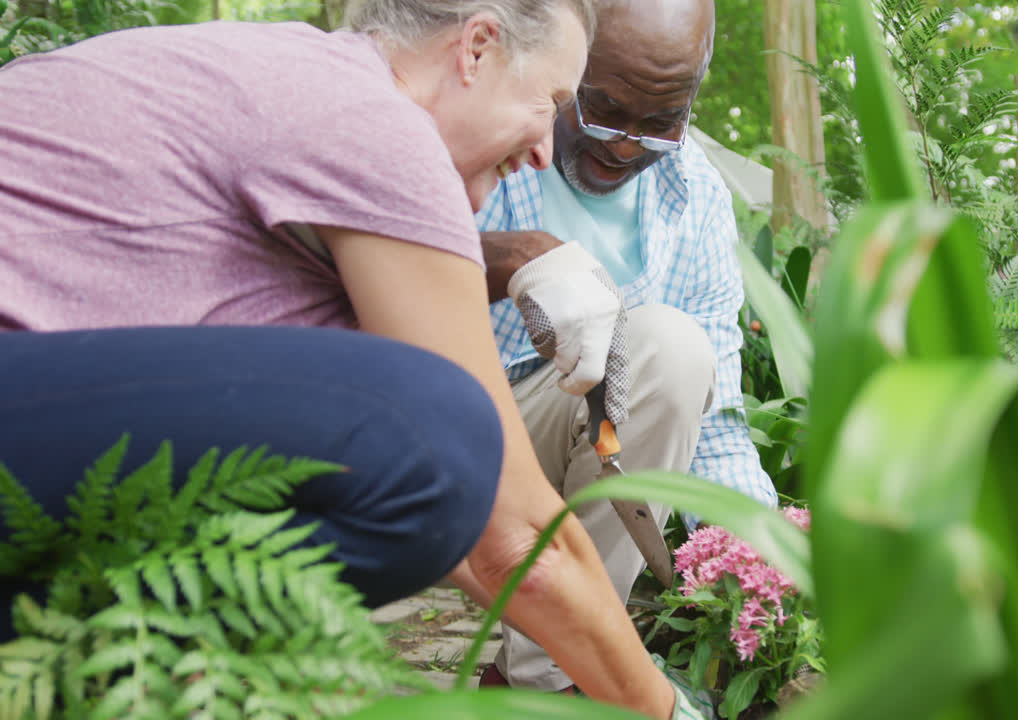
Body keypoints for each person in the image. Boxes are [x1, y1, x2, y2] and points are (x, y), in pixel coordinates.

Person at [0, 3, 704, 717]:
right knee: (438, 424)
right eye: (550, 104)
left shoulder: (285, 82)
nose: (544, 153)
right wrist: (667, 710)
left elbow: (458, 535)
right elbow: (510, 533)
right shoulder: (371, 118)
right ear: (478, 49)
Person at [475, 0, 779, 694]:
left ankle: (538, 683)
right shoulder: (485, 128)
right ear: (567, 60)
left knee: (670, 348)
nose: (624, 145)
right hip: (455, 417)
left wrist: (766, 550)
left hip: (594, 451)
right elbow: (383, 257)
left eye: (660, 123)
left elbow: (717, 421)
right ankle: (571, 672)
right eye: (602, 109)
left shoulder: (695, 192)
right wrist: (522, 259)